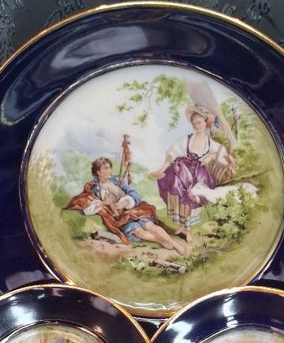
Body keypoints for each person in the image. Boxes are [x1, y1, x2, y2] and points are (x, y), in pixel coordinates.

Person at [150, 105, 236, 243]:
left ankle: (188, 229)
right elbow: (172, 154)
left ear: (206, 123)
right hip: (182, 169)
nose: (197, 125)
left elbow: (223, 155)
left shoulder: (211, 143)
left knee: (191, 193)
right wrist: (161, 170)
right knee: (177, 186)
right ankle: (182, 226)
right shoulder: (187, 139)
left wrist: (213, 156)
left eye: (199, 122)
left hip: (199, 174)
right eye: (194, 123)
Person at [66, 157, 185, 254]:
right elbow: (88, 208)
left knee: (150, 226)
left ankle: (175, 245)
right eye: (106, 168)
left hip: (134, 210)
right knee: (140, 233)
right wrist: (104, 203)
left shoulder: (117, 181)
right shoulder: (94, 188)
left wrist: (124, 202)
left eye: (110, 167)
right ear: (98, 172)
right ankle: (161, 240)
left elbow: (134, 194)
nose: (109, 170)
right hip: (121, 218)